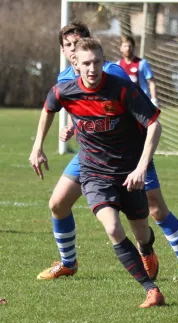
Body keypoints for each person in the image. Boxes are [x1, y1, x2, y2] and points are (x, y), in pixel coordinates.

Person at [29, 22, 178, 285]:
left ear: (90, 44)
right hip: (92, 154)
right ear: (64, 51)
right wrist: (68, 130)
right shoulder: (64, 79)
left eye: (78, 43)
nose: (74, 50)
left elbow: (128, 110)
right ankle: (68, 264)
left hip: (130, 152)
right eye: (68, 46)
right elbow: (80, 109)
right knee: (58, 203)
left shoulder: (113, 74)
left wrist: (141, 161)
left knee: (155, 208)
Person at [34, 38, 165, 308]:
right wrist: (38, 147)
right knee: (113, 227)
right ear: (76, 64)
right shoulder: (65, 90)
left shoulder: (120, 89)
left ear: (103, 61)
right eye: (86, 63)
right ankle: (151, 290)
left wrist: (141, 167)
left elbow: (154, 124)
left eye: (97, 62)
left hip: (129, 173)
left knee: (141, 233)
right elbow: (48, 108)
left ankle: (147, 248)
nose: (92, 69)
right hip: (94, 174)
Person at [118, 34, 159, 107]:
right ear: (120, 48)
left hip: (142, 102)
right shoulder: (118, 65)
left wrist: (154, 100)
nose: (127, 48)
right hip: (125, 104)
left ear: (133, 47)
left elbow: (151, 82)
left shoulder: (142, 63)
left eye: (129, 46)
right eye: (125, 46)